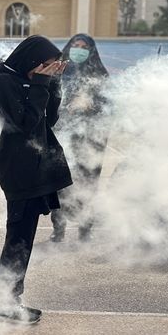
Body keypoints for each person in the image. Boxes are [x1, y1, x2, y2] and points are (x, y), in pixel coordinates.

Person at [0, 35, 72, 324]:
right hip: (18, 168)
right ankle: (4, 302)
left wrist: (53, 84)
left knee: (25, 238)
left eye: (52, 68)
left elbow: (49, 120)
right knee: (18, 239)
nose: (47, 71)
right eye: (45, 66)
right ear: (31, 61)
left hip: (37, 167)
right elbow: (25, 123)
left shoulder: (32, 82)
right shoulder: (2, 84)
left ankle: (11, 298)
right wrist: (41, 84)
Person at [49, 33, 110, 242]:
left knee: (88, 184)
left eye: (85, 46)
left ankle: (85, 229)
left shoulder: (100, 74)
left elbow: (108, 108)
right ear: (69, 47)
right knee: (60, 184)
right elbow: (47, 101)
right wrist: (66, 107)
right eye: (77, 45)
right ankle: (58, 228)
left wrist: (91, 106)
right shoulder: (58, 72)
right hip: (63, 137)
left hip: (90, 141)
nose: (80, 49)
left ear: (91, 51)